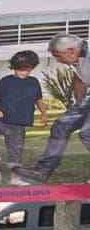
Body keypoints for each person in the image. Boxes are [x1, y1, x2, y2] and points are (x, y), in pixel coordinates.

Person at [16, 33, 90, 183]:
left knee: (87, 132)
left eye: (58, 56)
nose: (58, 60)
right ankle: (42, 172)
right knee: (61, 126)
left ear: (71, 51)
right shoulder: (78, 58)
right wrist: (78, 105)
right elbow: (80, 79)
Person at [0, 49, 44, 175]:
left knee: (15, 150)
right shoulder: (5, 81)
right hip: (0, 119)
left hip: (18, 123)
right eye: (21, 69)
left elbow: (38, 99)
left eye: (28, 69)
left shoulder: (34, 82)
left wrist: (44, 113)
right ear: (14, 67)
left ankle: (16, 177)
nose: (24, 72)